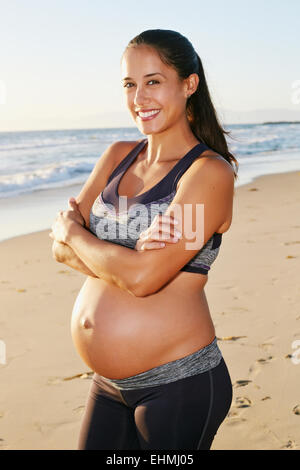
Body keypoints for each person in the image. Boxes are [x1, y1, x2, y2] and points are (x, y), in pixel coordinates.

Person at [49, 29, 239, 450]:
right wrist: (125, 256)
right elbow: (57, 248)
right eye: (129, 84)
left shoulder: (208, 174)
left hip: (179, 384)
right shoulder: (118, 155)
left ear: (189, 85)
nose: (139, 98)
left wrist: (75, 232)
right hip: (108, 385)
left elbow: (144, 280)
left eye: (153, 81)